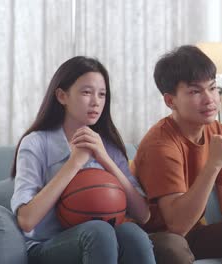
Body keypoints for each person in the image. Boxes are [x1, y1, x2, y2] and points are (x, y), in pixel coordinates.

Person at [10, 56, 155, 264]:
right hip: (45, 247)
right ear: (62, 96)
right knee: (99, 231)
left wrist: (104, 158)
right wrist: (74, 162)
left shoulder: (109, 146)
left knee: (132, 232)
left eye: (102, 94)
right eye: (87, 92)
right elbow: (26, 220)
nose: (96, 102)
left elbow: (143, 215)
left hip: (100, 242)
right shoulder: (35, 143)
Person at [133, 45, 222, 263]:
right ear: (170, 101)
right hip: (155, 236)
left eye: (212, 88)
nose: (209, 99)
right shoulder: (160, 145)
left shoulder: (221, 133)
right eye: (195, 91)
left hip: (194, 233)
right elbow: (177, 225)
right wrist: (213, 164)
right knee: (174, 247)